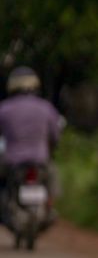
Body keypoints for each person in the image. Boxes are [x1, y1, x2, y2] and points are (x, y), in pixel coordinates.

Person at [0, 67, 63, 202]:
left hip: (11, 163)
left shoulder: (4, 109)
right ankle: (50, 205)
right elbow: (55, 137)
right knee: (52, 176)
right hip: (41, 161)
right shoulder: (46, 107)